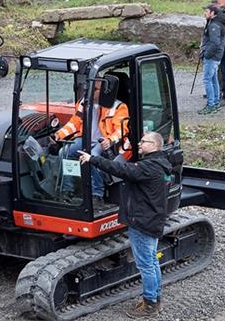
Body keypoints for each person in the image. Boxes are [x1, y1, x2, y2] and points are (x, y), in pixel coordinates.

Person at [78, 131, 172, 318]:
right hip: (151, 221)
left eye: (143, 141)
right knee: (152, 262)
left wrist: (92, 159)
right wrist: (109, 154)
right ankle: (155, 297)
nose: (139, 143)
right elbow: (124, 169)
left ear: (154, 145)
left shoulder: (149, 167)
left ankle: (150, 304)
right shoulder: (158, 164)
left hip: (142, 223)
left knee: (146, 265)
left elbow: (122, 170)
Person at [52, 75, 129, 202]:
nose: (90, 92)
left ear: (105, 91)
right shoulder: (83, 103)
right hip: (84, 138)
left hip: (103, 141)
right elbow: (74, 123)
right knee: (64, 152)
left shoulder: (118, 107)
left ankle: (97, 194)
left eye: (95, 89)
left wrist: (110, 140)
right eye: (90, 88)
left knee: (93, 156)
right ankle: (68, 190)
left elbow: (121, 129)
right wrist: (58, 135)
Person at [199, 4, 225, 115]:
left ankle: (211, 105)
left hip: (212, 57)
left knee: (207, 79)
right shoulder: (215, 23)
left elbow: (215, 43)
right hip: (216, 56)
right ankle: (215, 103)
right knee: (213, 79)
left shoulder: (214, 25)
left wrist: (206, 54)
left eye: (206, 11)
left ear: (213, 13)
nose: (204, 13)